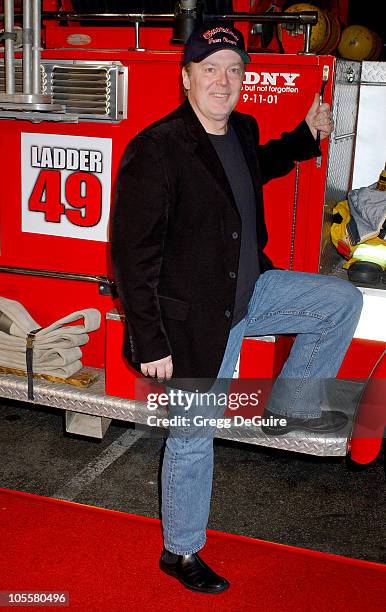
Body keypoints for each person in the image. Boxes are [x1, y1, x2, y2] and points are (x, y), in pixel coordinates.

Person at [111, 22, 363, 594]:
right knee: (193, 435)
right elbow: (131, 255)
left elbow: (256, 169)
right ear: (187, 78)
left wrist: (306, 136)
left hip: (252, 291)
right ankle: (180, 552)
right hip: (194, 319)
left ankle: (290, 408)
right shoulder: (156, 150)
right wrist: (150, 341)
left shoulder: (242, 129)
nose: (223, 82)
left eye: (233, 70)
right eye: (210, 70)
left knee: (340, 299)